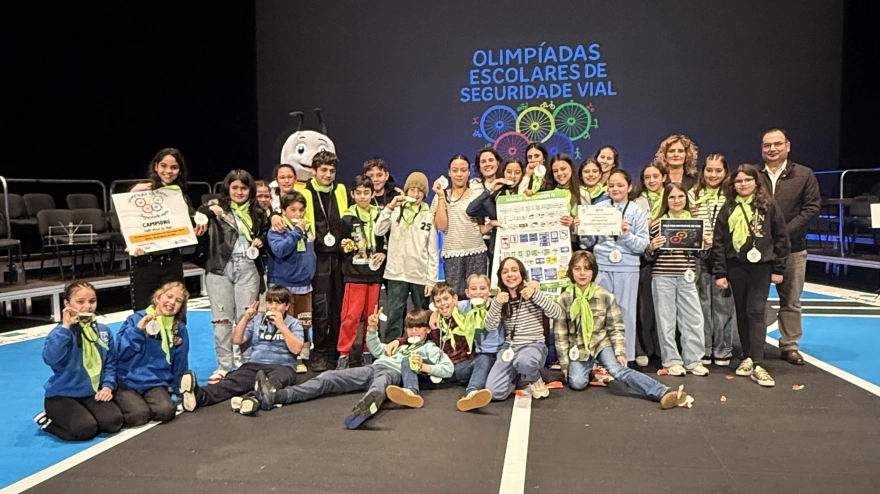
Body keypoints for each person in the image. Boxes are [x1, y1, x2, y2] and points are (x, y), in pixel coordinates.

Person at [252, 307, 453, 429]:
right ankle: (278, 396)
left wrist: (425, 366)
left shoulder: (429, 348)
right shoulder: (398, 344)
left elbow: (448, 369)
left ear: (428, 329)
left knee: (380, 384)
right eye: (411, 327)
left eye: (419, 327)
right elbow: (376, 349)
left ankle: (363, 410)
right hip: (376, 366)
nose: (414, 331)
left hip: (395, 373)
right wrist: (373, 329)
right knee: (329, 377)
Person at [555, 252, 690, 408]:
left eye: (587, 268)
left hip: (600, 343)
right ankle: (588, 369)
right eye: (577, 269)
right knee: (577, 382)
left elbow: (616, 326)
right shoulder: (564, 298)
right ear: (571, 271)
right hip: (578, 347)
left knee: (617, 370)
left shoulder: (605, 295)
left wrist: (619, 352)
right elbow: (561, 335)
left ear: (594, 271)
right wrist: (565, 365)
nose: (582, 273)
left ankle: (663, 392)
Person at [713, 165, 791, 387]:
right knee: (742, 312)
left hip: (761, 267)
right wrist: (720, 271)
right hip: (736, 266)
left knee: (756, 311)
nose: (743, 184)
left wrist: (779, 268)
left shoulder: (768, 206)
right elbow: (719, 242)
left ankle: (758, 361)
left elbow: (782, 238)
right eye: (739, 181)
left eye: (748, 180)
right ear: (733, 184)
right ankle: (747, 356)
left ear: (756, 182)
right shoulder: (728, 208)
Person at [179, 286, 303, 415]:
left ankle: (252, 399)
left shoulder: (294, 323)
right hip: (255, 364)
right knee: (232, 381)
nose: (273, 307)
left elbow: (296, 349)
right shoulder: (257, 320)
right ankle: (199, 395)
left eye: (278, 303)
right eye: (270, 303)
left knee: (272, 383)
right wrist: (245, 319)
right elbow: (236, 340)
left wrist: (281, 326)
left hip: (283, 366)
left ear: (287, 306)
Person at [196, 169, 269, 383]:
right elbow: (198, 213)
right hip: (220, 267)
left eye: (244, 188)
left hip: (248, 266)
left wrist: (261, 240)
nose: (239, 192)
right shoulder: (216, 206)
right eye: (235, 187)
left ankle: (247, 363)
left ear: (250, 190)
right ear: (227, 188)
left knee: (247, 317)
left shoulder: (257, 211)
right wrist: (212, 210)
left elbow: (265, 231)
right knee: (221, 320)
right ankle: (224, 365)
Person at [757, 128, 820, 366]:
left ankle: (789, 345)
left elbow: (811, 209)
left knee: (791, 299)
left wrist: (783, 235)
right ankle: (755, 345)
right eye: (767, 145)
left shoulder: (804, 175)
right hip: (759, 251)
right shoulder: (752, 174)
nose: (772, 149)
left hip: (793, 249)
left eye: (777, 144)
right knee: (756, 301)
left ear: (788, 146)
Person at [35, 282, 123, 441]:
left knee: (113, 422)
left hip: (92, 393)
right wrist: (66, 327)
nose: (88, 306)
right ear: (67, 304)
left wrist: (108, 387)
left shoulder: (103, 330)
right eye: (80, 302)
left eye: (92, 301)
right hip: (62, 395)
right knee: (85, 429)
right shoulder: (61, 332)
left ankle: (83, 413)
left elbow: (110, 363)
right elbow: (50, 358)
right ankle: (48, 422)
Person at [386, 282, 494, 411]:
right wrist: (398, 341)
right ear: (435, 304)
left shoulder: (465, 314)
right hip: (436, 368)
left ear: (455, 299)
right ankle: (410, 392)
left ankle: (472, 394)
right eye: (438, 301)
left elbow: (480, 306)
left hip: (459, 367)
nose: (443, 304)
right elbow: (418, 334)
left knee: (484, 359)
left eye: (446, 299)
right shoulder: (431, 320)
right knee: (408, 360)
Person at [580, 169, 650, 363]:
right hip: (602, 265)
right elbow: (588, 242)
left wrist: (626, 234)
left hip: (627, 268)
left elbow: (642, 245)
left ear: (629, 187)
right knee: (599, 313)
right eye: (611, 185)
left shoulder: (636, 211)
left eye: (620, 185)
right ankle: (600, 358)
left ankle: (625, 358)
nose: (615, 188)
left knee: (625, 313)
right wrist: (582, 229)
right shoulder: (599, 207)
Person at [128, 148, 204, 314]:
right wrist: (131, 242)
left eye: (174, 167)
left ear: (180, 170)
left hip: (172, 262)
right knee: (144, 315)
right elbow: (127, 223)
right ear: (156, 166)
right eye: (164, 166)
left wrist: (197, 228)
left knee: (176, 314)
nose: (168, 171)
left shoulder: (180, 196)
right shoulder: (140, 190)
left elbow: (185, 225)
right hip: (145, 262)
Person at [645, 183, 708, 376]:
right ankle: (671, 360)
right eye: (672, 197)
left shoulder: (695, 224)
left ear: (686, 199)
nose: (677, 201)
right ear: (666, 200)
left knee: (694, 318)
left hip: (687, 276)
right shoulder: (657, 224)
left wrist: (705, 245)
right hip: (662, 276)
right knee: (666, 320)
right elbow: (647, 256)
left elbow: (701, 255)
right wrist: (651, 247)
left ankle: (694, 360)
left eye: (681, 196)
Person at [485, 257, 563, 400]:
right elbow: (489, 326)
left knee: (524, 361)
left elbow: (557, 313)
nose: (510, 275)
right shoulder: (501, 299)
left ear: (522, 274)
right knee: (494, 392)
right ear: (501, 277)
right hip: (510, 348)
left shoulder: (532, 293)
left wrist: (536, 294)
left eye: (514, 270)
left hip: (533, 345)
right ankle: (521, 378)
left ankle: (535, 379)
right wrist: (496, 304)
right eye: (505, 272)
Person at [113, 282, 189, 426]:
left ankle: (140, 403)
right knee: (138, 415)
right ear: (158, 298)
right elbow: (120, 352)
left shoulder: (179, 328)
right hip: (127, 382)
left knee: (166, 410)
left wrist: (182, 391)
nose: (172, 302)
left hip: (155, 383)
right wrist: (138, 330)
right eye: (169, 296)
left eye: (178, 301)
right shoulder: (136, 319)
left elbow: (180, 362)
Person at [376, 172, 439, 341]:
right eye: (412, 190)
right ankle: (391, 347)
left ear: (425, 194)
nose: (416, 194)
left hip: (419, 274)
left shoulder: (428, 215)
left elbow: (433, 250)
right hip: (396, 273)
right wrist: (389, 208)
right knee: (395, 313)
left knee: (422, 315)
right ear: (406, 191)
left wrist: (431, 280)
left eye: (420, 191)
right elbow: (378, 230)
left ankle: (425, 347)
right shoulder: (395, 210)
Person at [302, 151, 349, 372]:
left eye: (332, 171)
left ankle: (336, 350)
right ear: (314, 171)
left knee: (339, 307)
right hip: (317, 257)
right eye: (324, 170)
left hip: (339, 258)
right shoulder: (304, 192)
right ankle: (319, 352)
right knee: (321, 308)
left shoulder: (340, 191)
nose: (328, 175)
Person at [337, 175, 386, 369]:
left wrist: (383, 252)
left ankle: (368, 350)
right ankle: (344, 353)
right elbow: (341, 245)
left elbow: (385, 242)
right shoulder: (347, 217)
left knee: (371, 316)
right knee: (350, 316)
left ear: (373, 193)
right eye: (359, 193)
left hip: (374, 273)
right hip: (354, 273)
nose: (363, 196)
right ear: (352, 194)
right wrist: (346, 246)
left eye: (367, 192)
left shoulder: (380, 215)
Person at [691, 154, 735, 366]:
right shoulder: (693, 194)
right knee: (701, 304)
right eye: (709, 170)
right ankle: (704, 348)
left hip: (723, 257)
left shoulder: (732, 196)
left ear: (725, 172)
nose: (713, 175)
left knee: (722, 305)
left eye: (718, 170)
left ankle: (723, 349)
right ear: (703, 171)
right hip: (699, 256)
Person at [267, 190, 316, 374]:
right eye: (293, 210)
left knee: (303, 323)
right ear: (284, 211)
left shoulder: (307, 228)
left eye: (301, 210)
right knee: (283, 323)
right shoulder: (278, 229)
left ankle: (302, 355)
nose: (298, 214)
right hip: (283, 285)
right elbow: (279, 250)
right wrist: (296, 232)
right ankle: (284, 357)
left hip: (304, 284)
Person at [433, 155, 488, 298]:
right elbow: (441, 226)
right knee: (454, 297)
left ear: (468, 172)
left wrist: (491, 224)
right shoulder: (442, 195)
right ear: (449, 172)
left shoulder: (477, 192)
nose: (459, 174)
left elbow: (485, 218)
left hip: (477, 252)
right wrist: (440, 197)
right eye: (455, 170)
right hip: (453, 253)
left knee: (478, 297)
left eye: (463, 170)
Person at [466, 157, 525, 275]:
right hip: (500, 248)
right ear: (502, 173)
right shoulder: (495, 197)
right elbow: (471, 210)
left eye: (517, 172)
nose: (513, 176)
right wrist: (490, 189)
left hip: (523, 247)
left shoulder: (527, 193)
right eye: (509, 172)